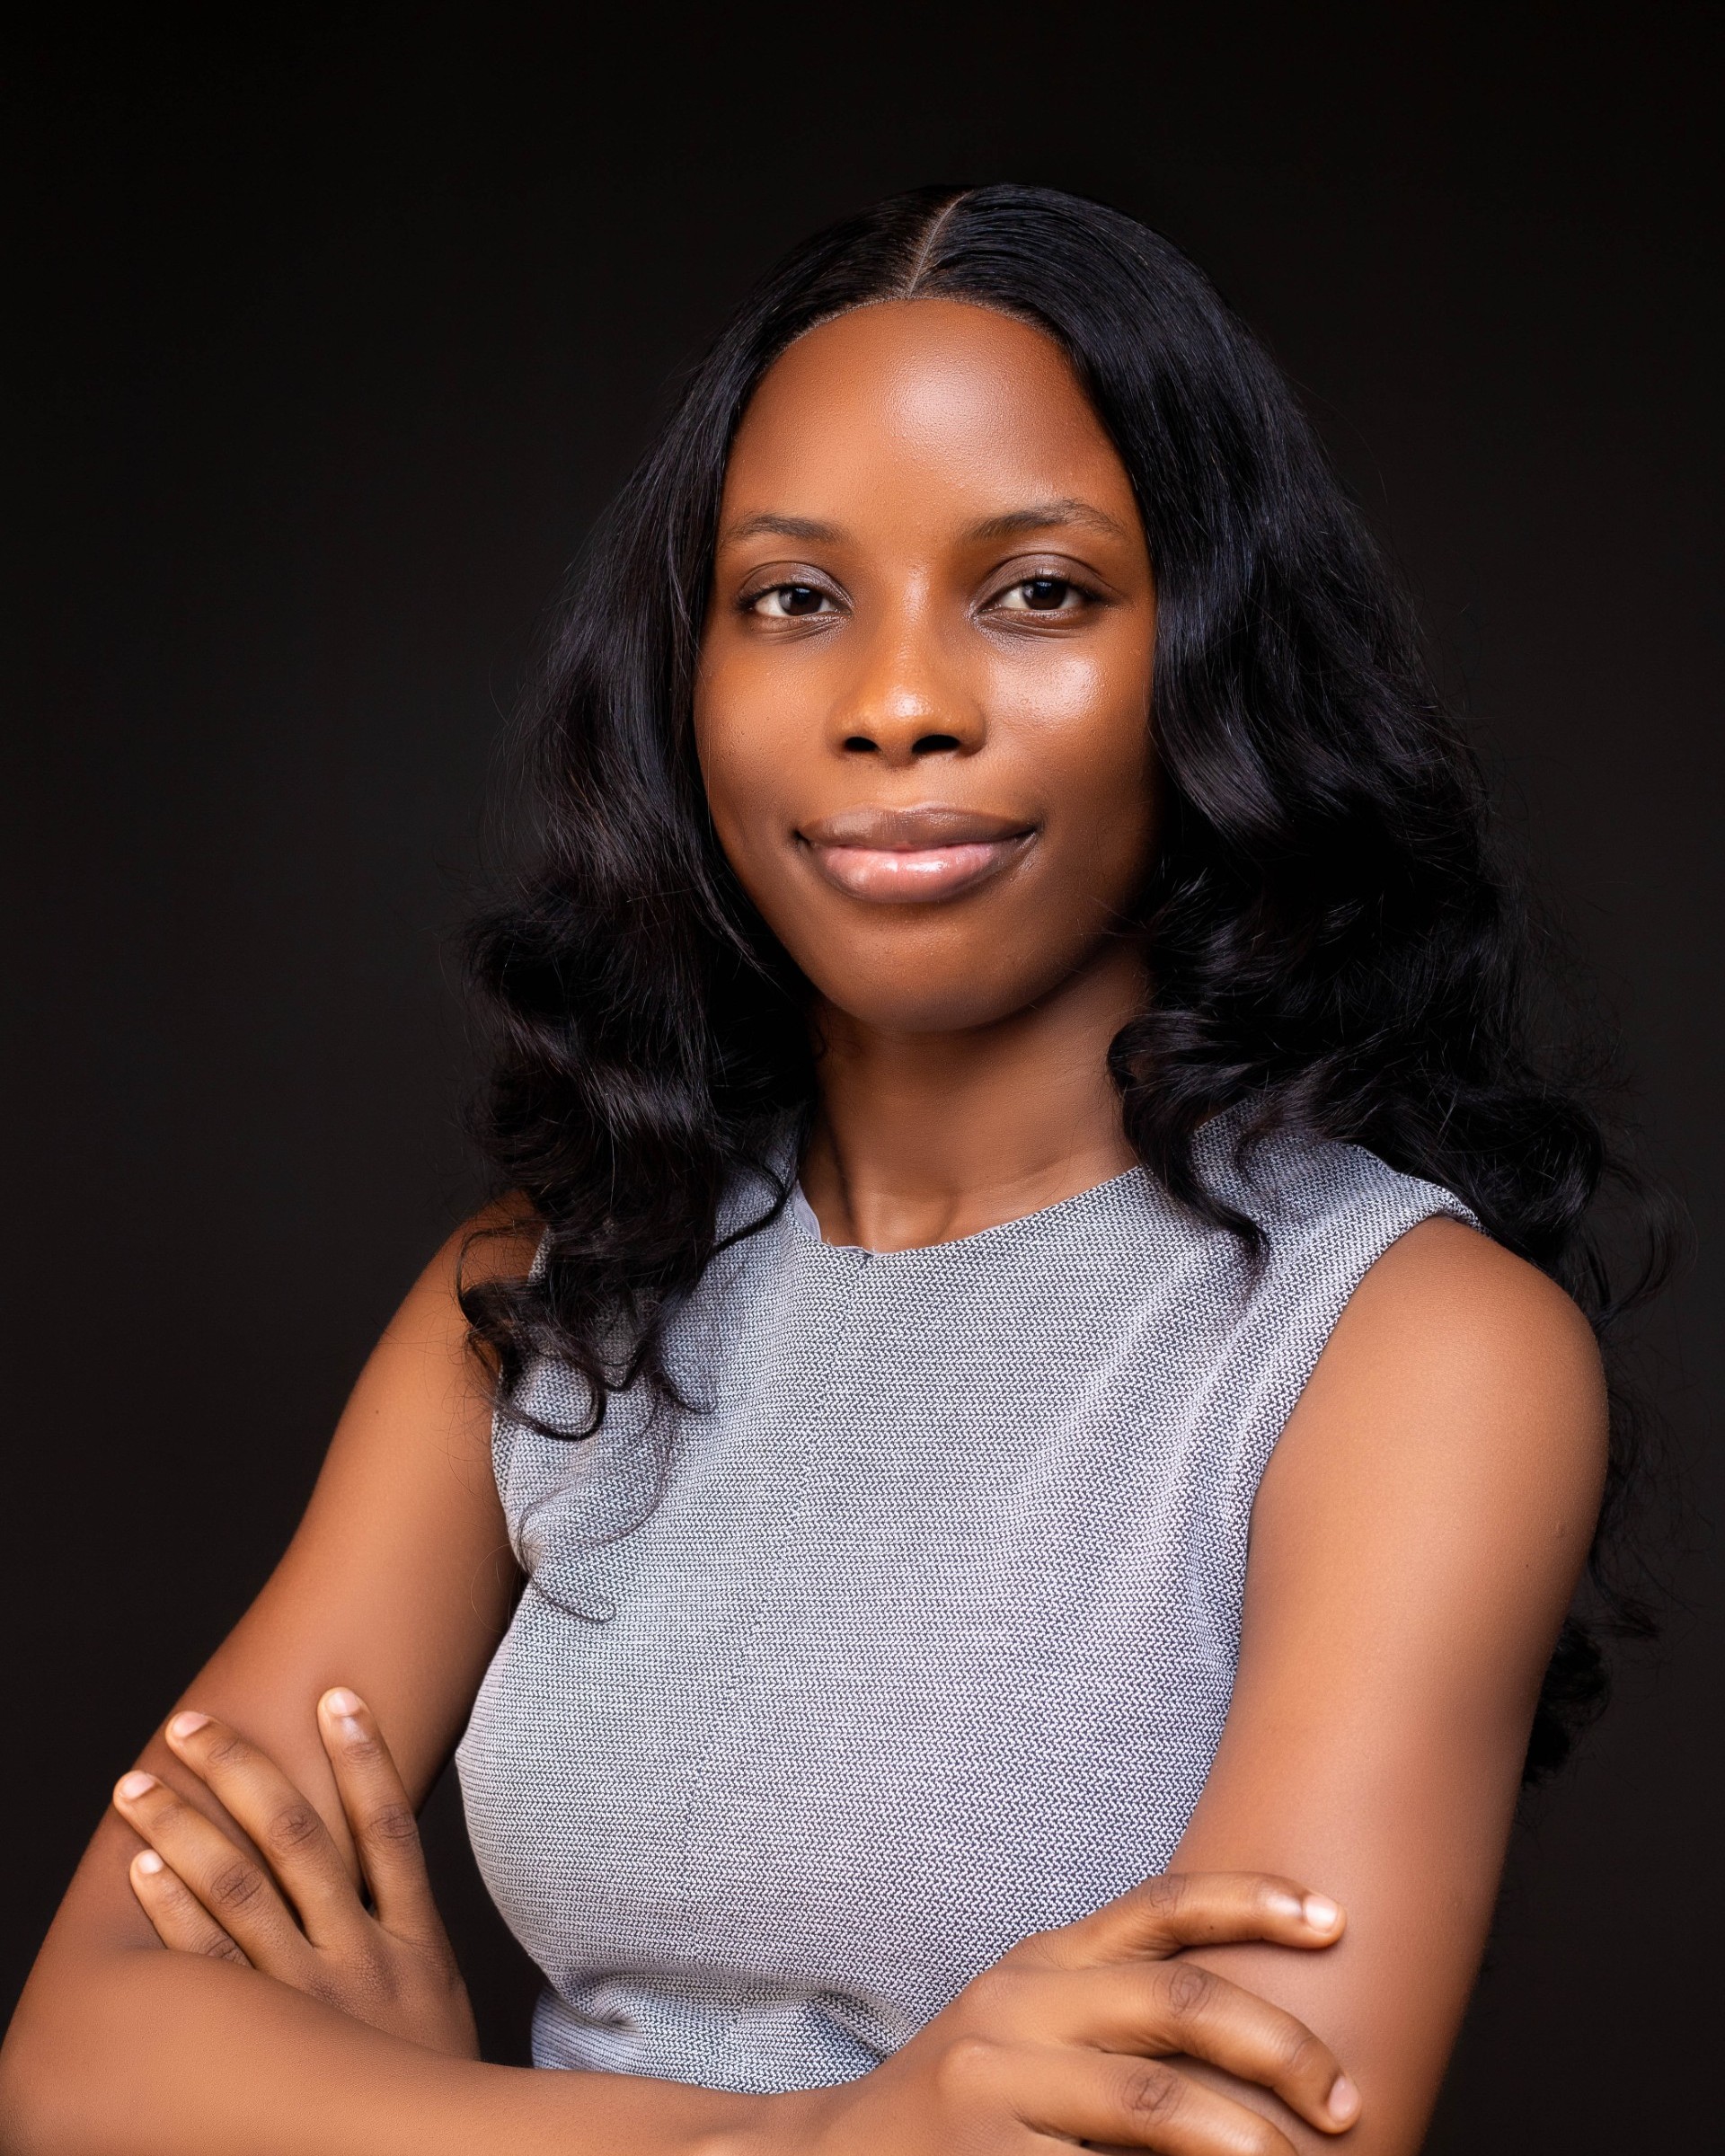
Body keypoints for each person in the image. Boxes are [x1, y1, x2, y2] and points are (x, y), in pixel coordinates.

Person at [1, 184, 1632, 2155]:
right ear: (685, 680)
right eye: (793, 598)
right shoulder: (542, 1302)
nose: (898, 704)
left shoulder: (1406, 1349)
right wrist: (829, 2137)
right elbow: (76, 2060)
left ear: (1213, 656)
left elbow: (1241, 2137)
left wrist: (397, 2122)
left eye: (1038, 590)